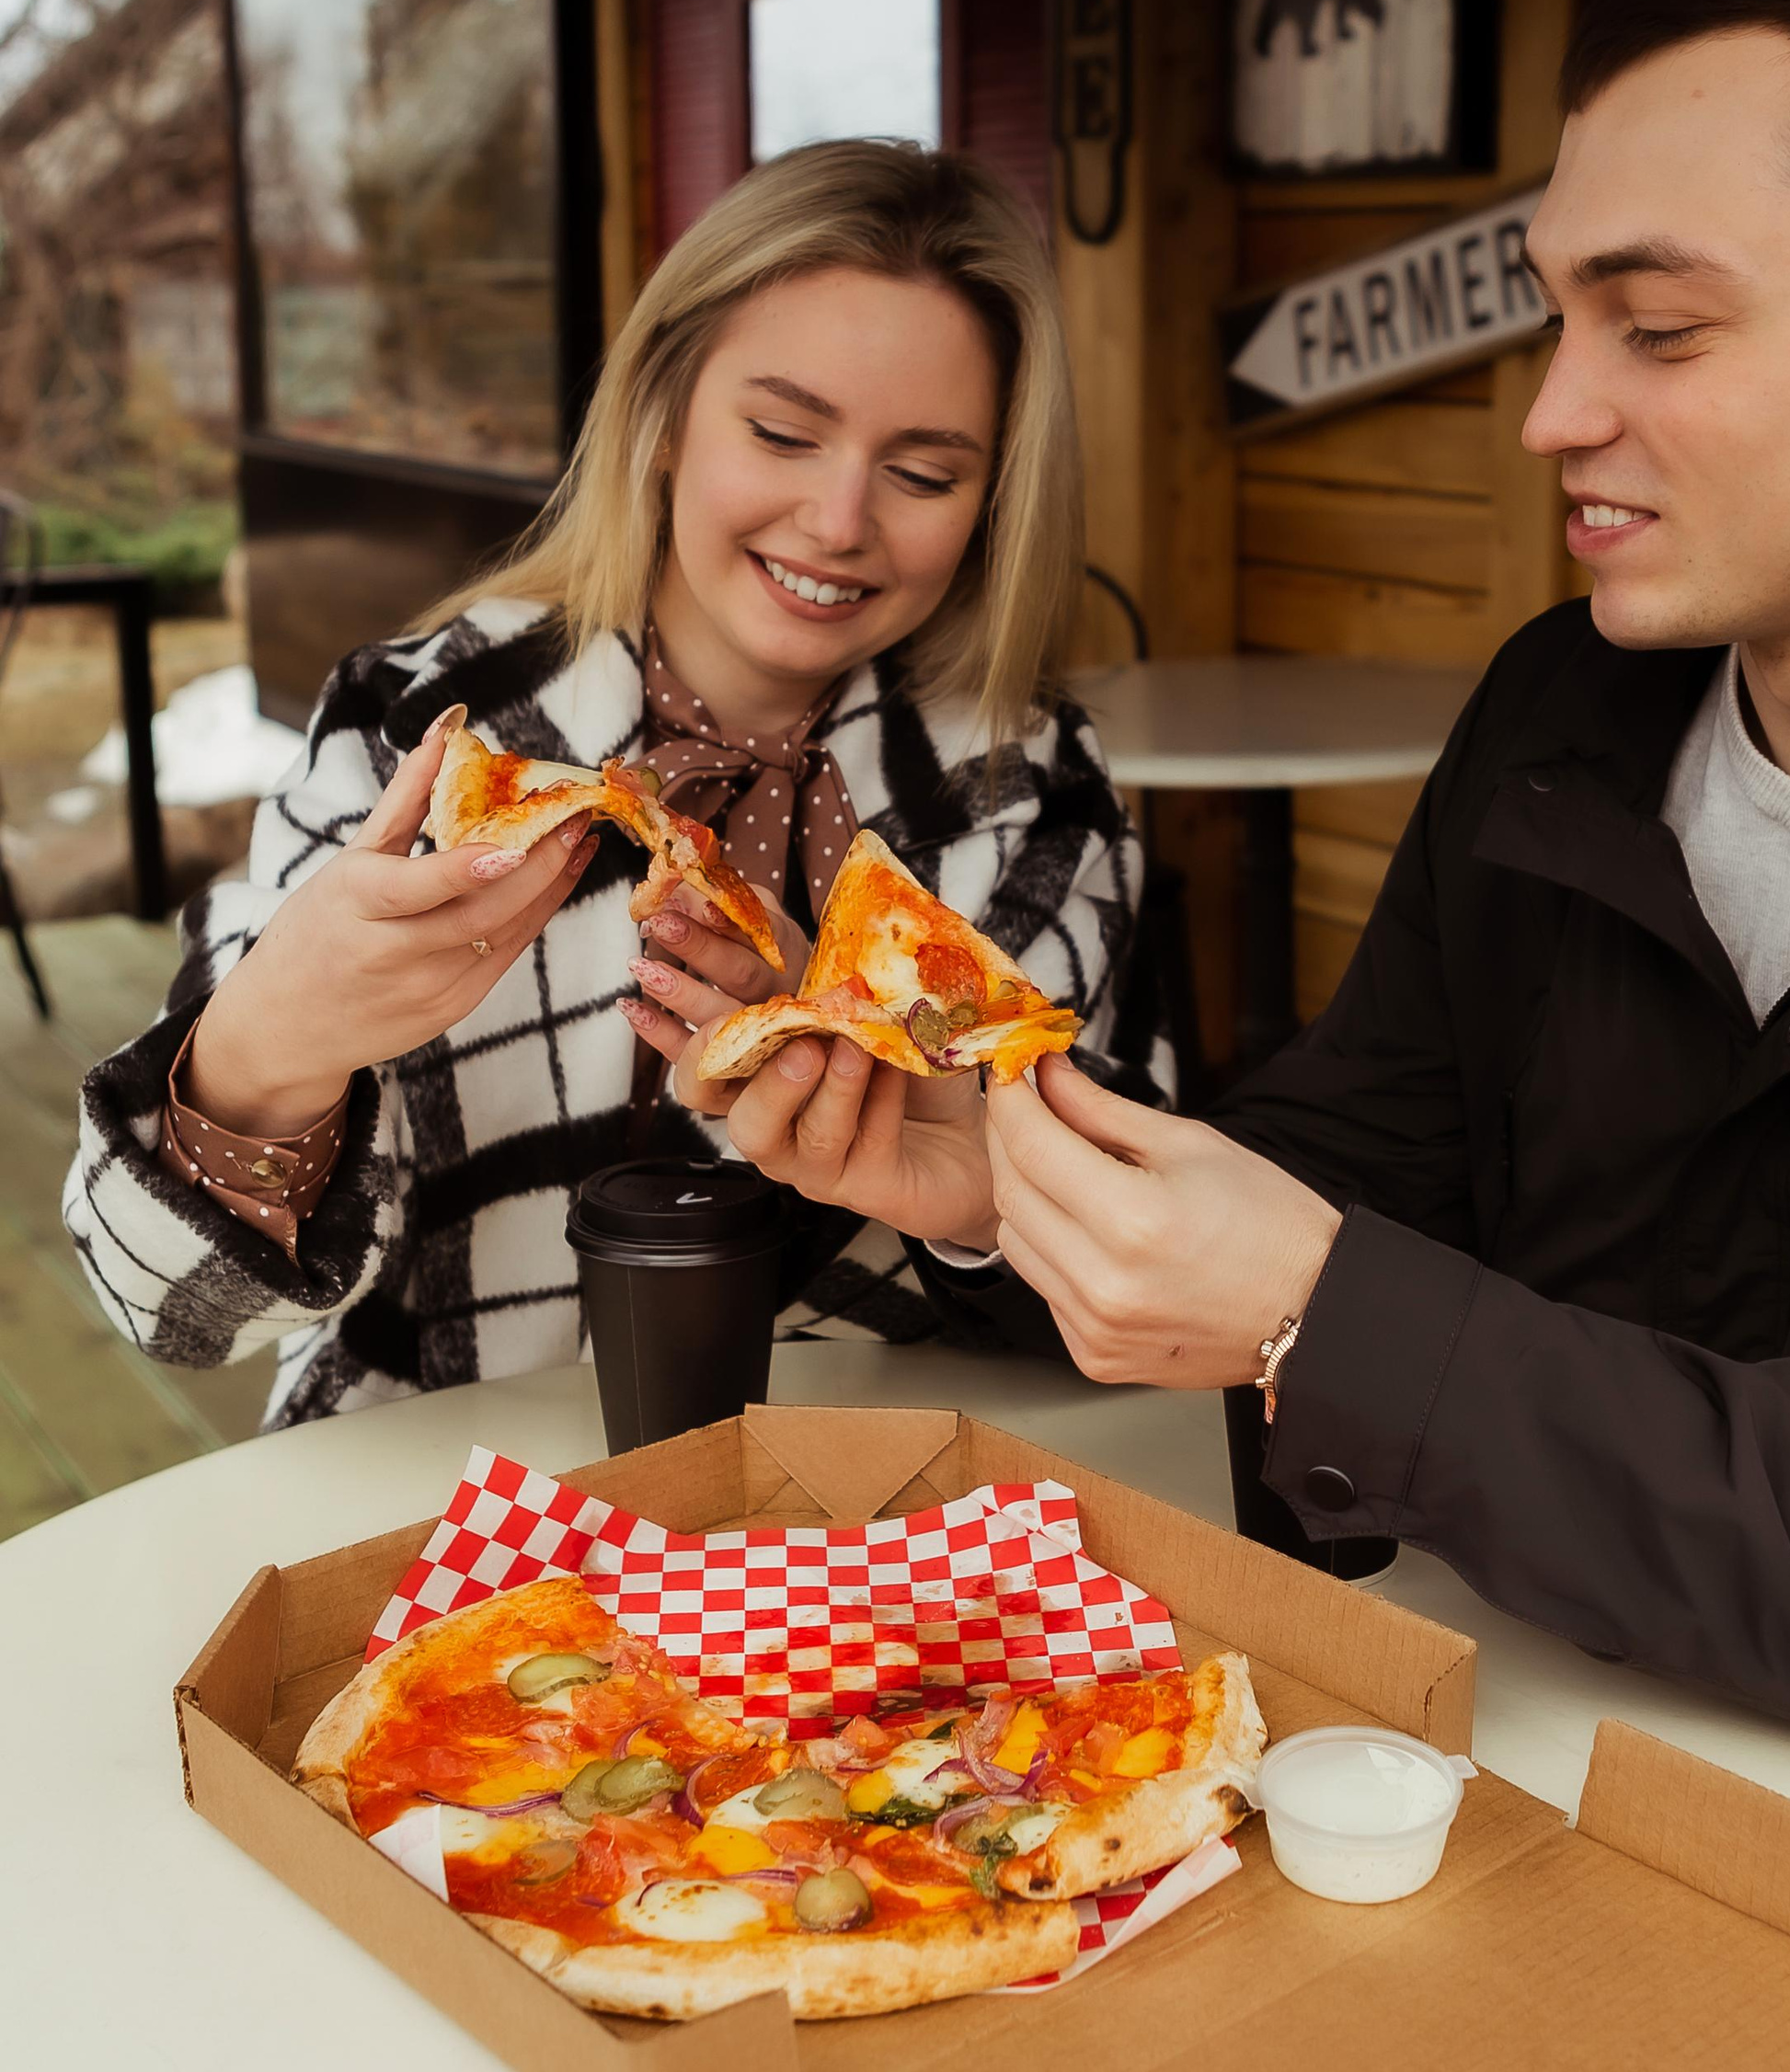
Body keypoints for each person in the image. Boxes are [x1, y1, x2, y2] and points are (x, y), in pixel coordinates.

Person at [679, 0, 1790, 1993]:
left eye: (1655, 329)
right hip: (1523, 1674)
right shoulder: (1571, 703)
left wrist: (1323, 1313)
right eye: (1556, 312)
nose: (1554, 408)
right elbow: (1366, 1183)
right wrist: (1003, 1182)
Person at [65, 140, 1172, 1423]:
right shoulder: (426, 732)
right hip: (442, 1505)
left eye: (924, 473)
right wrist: (264, 1054)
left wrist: (974, 1182)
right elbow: (171, 1310)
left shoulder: (1027, 792)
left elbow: (1139, 1309)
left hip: (861, 1539)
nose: (838, 519)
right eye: (781, 433)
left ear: (994, 502)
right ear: (659, 416)